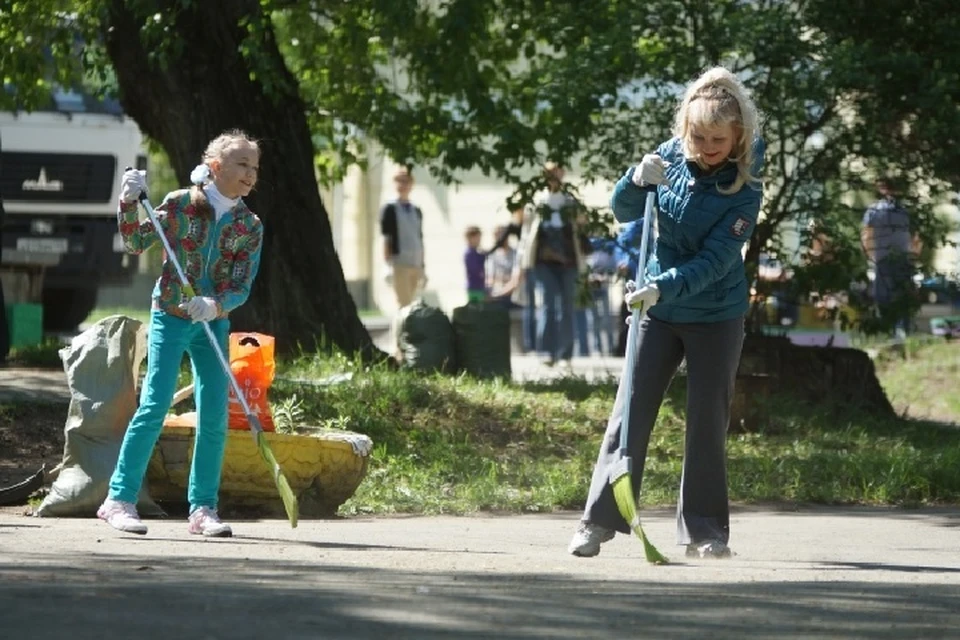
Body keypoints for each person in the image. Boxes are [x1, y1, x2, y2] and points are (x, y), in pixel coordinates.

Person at [568, 66, 764, 560]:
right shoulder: (671, 156)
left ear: (737, 134)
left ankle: (704, 532)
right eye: (697, 136)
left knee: (706, 420)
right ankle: (598, 521)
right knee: (628, 414)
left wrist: (662, 286)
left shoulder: (746, 184)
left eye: (717, 138)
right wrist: (635, 179)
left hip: (715, 313)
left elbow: (719, 259)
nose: (706, 146)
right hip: (655, 307)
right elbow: (624, 209)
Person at [97, 130, 264, 537]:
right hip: (171, 314)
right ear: (216, 167)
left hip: (212, 322)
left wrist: (216, 305)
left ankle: (203, 508)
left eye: (255, 167)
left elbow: (241, 284)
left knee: (214, 413)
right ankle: (118, 500)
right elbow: (135, 241)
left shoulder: (249, 224)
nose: (250, 174)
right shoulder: (179, 205)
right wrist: (128, 199)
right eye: (242, 164)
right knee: (155, 404)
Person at [517, 162, 585, 366]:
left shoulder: (570, 201)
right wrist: (520, 264)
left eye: (558, 173)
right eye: (551, 174)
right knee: (547, 305)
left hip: (568, 262)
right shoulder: (537, 202)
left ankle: (565, 354)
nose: (555, 177)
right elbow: (526, 235)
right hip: (543, 262)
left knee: (567, 306)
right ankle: (546, 351)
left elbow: (581, 229)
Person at [860, 178, 919, 338]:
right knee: (892, 295)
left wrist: (869, 254)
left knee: (889, 296)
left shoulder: (895, 210)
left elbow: (866, 234)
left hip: (892, 258)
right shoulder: (881, 210)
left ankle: (895, 332)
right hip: (890, 258)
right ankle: (896, 332)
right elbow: (867, 234)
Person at [380, 166, 425, 308]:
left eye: (406, 181)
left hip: (416, 262)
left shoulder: (416, 210)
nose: (402, 185)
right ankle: (402, 330)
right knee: (404, 304)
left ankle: (408, 330)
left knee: (411, 305)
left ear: (411, 184)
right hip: (400, 262)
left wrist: (423, 266)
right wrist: (388, 264)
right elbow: (386, 237)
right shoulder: (390, 208)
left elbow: (419, 237)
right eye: (399, 181)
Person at [486, 224, 519, 309]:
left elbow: (516, 281)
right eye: (496, 235)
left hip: (512, 297)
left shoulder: (516, 254)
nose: (498, 238)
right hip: (496, 295)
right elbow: (490, 279)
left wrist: (501, 292)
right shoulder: (492, 256)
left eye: (500, 235)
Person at [463, 226, 487, 303]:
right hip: (474, 288)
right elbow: (476, 270)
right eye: (477, 238)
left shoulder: (476, 252)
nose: (479, 240)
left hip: (479, 287)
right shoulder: (469, 253)